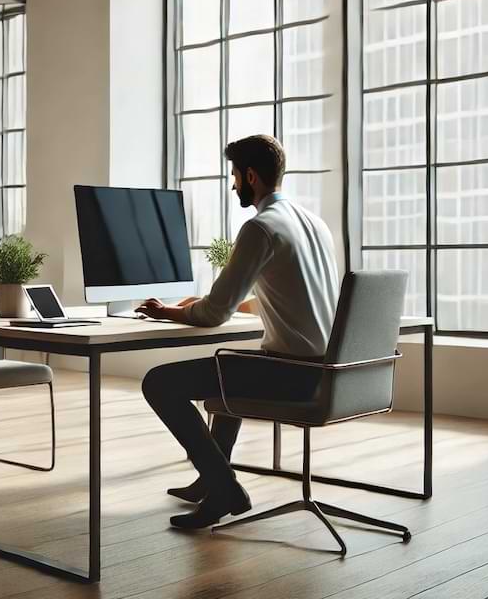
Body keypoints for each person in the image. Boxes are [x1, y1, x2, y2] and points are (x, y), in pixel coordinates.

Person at [136, 134, 340, 530]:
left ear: (250, 175)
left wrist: (165, 312)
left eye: (234, 175)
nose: (233, 185)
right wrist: (204, 305)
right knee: (230, 366)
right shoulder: (314, 224)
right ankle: (211, 486)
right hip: (326, 370)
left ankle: (223, 486)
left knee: (159, 383)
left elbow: (214, 315)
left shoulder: (260, 228)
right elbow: (288, 293)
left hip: (292, 375)